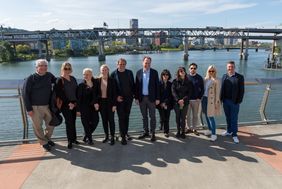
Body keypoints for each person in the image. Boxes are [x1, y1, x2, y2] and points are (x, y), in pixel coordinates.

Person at [22, 59, 57, 151]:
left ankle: (47, 138)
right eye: (41, 65)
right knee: (38, 126)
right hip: (35, 107)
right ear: (36, 67)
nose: (43, 67)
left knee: (51, 124)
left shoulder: (49, 75)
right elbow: (25, 94)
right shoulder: (31, 78)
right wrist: (29, 109)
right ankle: (44, 143)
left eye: (45, 65)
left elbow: (57, 82)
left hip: (48, 105)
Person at [110, 58, 135, 145]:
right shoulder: (113, 74)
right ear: (117, 64)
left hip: (129, 99)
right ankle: (123, 136)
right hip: (119, 100)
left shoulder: (129, 72)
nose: (122, 65)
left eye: (123, 64)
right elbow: (111, 88)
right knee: (121, 117)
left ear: (125, 65)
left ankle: (125, 132)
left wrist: (134, 96)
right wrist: (116, 97)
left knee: (127, 116)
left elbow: (133, 85)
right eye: (120, 64)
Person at [135, 56, 160, 142]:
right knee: (144, 116)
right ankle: (146, 132)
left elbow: (157, 86)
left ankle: (153, 133)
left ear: (150, 63)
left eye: (148, 63)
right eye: (145, 62)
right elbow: (136, 87)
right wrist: (136, 98)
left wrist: (157, 98)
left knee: (152, 116)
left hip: (152, 98)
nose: (147, 64)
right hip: (142, 98)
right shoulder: (138, 73)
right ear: (143, 62)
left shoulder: (154, 72)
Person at [55, 62, 79, 149]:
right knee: (69, 122)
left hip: (74, 103)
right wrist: (69, 103)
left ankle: (74, 139)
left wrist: (75, 103)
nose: (67, 70)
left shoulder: (73, 78)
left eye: (69, 68)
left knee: (73, 121)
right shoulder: (59, 80)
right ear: (62, 69)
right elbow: (60, 94)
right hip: (65, 104)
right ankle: (70, 140)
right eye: (65, 68)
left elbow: (76, 91)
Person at [220, 61, 245, 144]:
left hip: (234, 102)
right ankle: (228, 131)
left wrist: (238, 101)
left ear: (234, 67)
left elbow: (242, 91)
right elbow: (221, 89)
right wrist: (221, 99)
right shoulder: (224, 76)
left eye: (232, 67)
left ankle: (234, 135)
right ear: (227, 67)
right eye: (229, 67)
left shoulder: (239, 77)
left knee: (234, 118)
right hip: (225, 101)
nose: (230, 68)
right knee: (228, 117)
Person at [77, 68, 99, 145]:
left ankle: (86, 135)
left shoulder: (96, 83)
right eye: (84, 74)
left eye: (88, 74)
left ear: (91, 75)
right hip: (84, 108)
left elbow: (98, 94)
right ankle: (90, 139)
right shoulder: (81, 85)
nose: (86, 76)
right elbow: (78, 99)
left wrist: (96, 102)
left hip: (94, 107)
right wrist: (78, 110)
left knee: (96, 122)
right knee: (86, 124)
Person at [97, 64, 117, 145]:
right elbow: (95, 93)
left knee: (111, 120)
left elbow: (115, 94)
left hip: (110, 103)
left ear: (108, 71)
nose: (104, 71)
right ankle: (106, 136)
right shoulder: (97, 81)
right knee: (104, 120)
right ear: (100, 71)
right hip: (101, 103)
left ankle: (112, 137)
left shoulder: (112, 80)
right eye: (102, 70)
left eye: (105, 70)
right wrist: (96, 103)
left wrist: (114, 105)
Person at [171, 67, 193, 139]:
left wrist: (183, 100)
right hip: (176, 103)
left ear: (185, 72)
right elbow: (173, 92)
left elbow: (189, 93)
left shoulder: (189, 82)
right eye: (180, 71)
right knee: (177, 118)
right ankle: (178, 131)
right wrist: (178, 100)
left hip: (185, 103)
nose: (182, 72)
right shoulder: (175, 81)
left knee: (183, 118)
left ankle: (183, 132)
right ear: (178, 72)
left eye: (183, 71)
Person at [202, 65, 221, 141]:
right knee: (206, 115)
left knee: (211, 117)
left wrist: (217, 102)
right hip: (204, 99)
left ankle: (214, 134)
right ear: (208, 71)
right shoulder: (205, 79)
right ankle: (210, 130)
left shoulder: (217, 80)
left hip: (211, 101)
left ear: (215, 71)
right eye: (210, 71)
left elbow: (217, 92)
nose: (211, 72)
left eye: (213, 71)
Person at [185, 63, 204, 136]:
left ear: (196, 69)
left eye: (194, 68)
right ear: (189, 69)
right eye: (191, 68)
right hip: (188, 100)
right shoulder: (186, 77)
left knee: (195, 115)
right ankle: (188, 128)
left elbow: (202, 89)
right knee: (187, 115)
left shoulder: (199, 78)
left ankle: (194, 129)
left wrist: (199, 97)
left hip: (196, 100)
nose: (193, 69)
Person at [157, 69, 173, 137]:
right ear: (162, 75)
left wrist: (165, 103)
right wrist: (162, 103)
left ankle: (166, 131)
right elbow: (157, 94)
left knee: (167, 117)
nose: (165, 76)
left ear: (169, 76)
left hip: (168, 103)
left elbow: (171, 95)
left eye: (167, 75)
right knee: (162, 117)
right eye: (164, 74)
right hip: (160, 104)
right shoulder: (158, 83)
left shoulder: (170, 84)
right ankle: (161, 123)